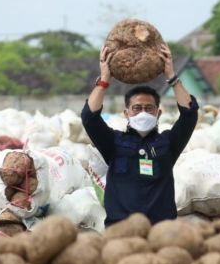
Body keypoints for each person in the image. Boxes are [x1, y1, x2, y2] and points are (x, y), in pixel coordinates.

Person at [81, 43, 198, 226]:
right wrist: (104, 79)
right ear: (126, 113)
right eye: (136, 108)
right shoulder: (113, 142)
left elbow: (189, 114)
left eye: (149, 108)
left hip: (161, 230)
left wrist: (172, 77)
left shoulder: (168, 142)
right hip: (121, 230)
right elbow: (89, 117)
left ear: (158, 113)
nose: (143, 113)